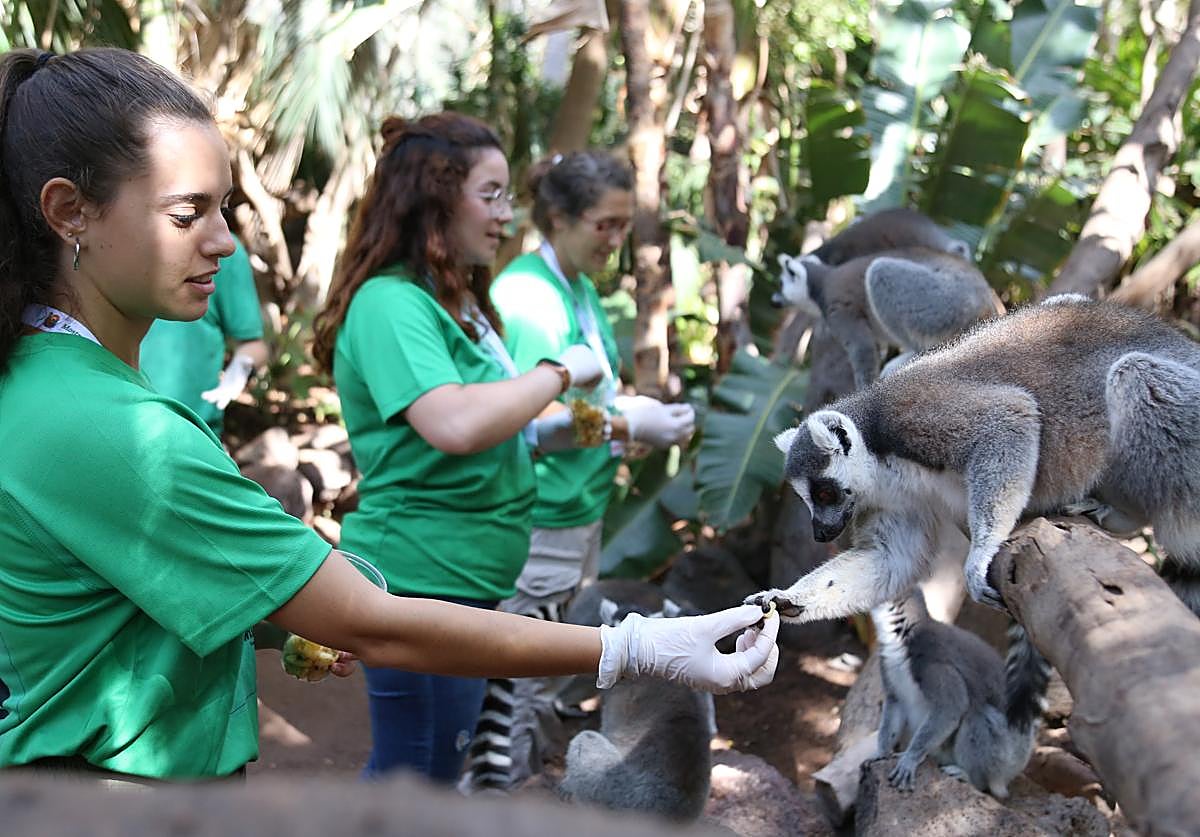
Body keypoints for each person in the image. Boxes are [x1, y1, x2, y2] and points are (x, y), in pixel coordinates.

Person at [0, 48, 778, 785]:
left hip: (457, 574)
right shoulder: (112, 425)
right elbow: (434, 474)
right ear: (71, 212)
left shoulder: (57, 383)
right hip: (121, 790)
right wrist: (639, 646)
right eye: (187, 213)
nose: (227, 242)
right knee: (419, 779)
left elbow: (106, 592)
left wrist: (273, 618)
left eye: (225, 207)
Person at [461, 150, 695, 792]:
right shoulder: (528, 297)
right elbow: (529, 423)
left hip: (577, 516)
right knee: (511, 691)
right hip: (540, 522)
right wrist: (626, 424)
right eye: (606, 225)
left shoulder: (579, 288)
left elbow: (579, 405)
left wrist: (625, 425)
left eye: (624, 226)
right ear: (559, 218)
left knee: (540, 685)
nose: (618, 241)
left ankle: (516, 793)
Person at [138, 234, 269, 434]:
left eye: (224, 208)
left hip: (195, 431)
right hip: (117, 427)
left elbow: (254, 344)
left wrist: (241, 368)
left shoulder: (224, 254)